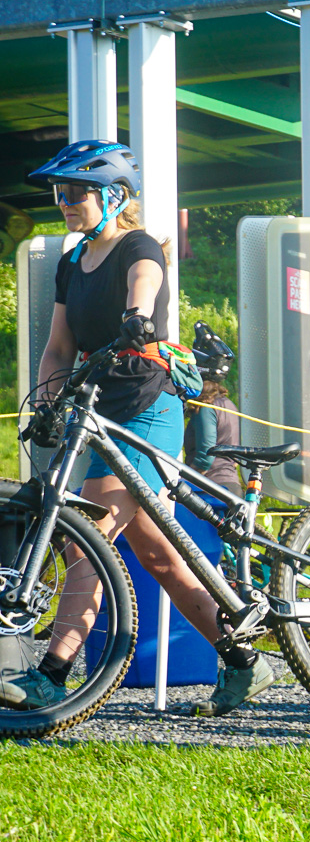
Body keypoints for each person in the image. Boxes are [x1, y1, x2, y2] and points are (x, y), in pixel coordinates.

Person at [0, 141, 275, 717]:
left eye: (76, 192)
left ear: (113, 197)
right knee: (157, 555)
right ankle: (245, 659)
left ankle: (53, 676)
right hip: (97, 411)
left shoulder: (137, 246)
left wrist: (137, 314)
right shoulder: (72, 264)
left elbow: (146, 277)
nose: (65, 202)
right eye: (60, 192)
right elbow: (57, 349)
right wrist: (47, 402)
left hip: (147, 405)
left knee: (88, 535)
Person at [184, 322, 245, 506]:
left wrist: (186, 481)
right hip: (232, 486)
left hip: (211, 490)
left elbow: (205, 455)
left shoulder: (206, 407)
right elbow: (233, 458)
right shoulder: (229, 404)